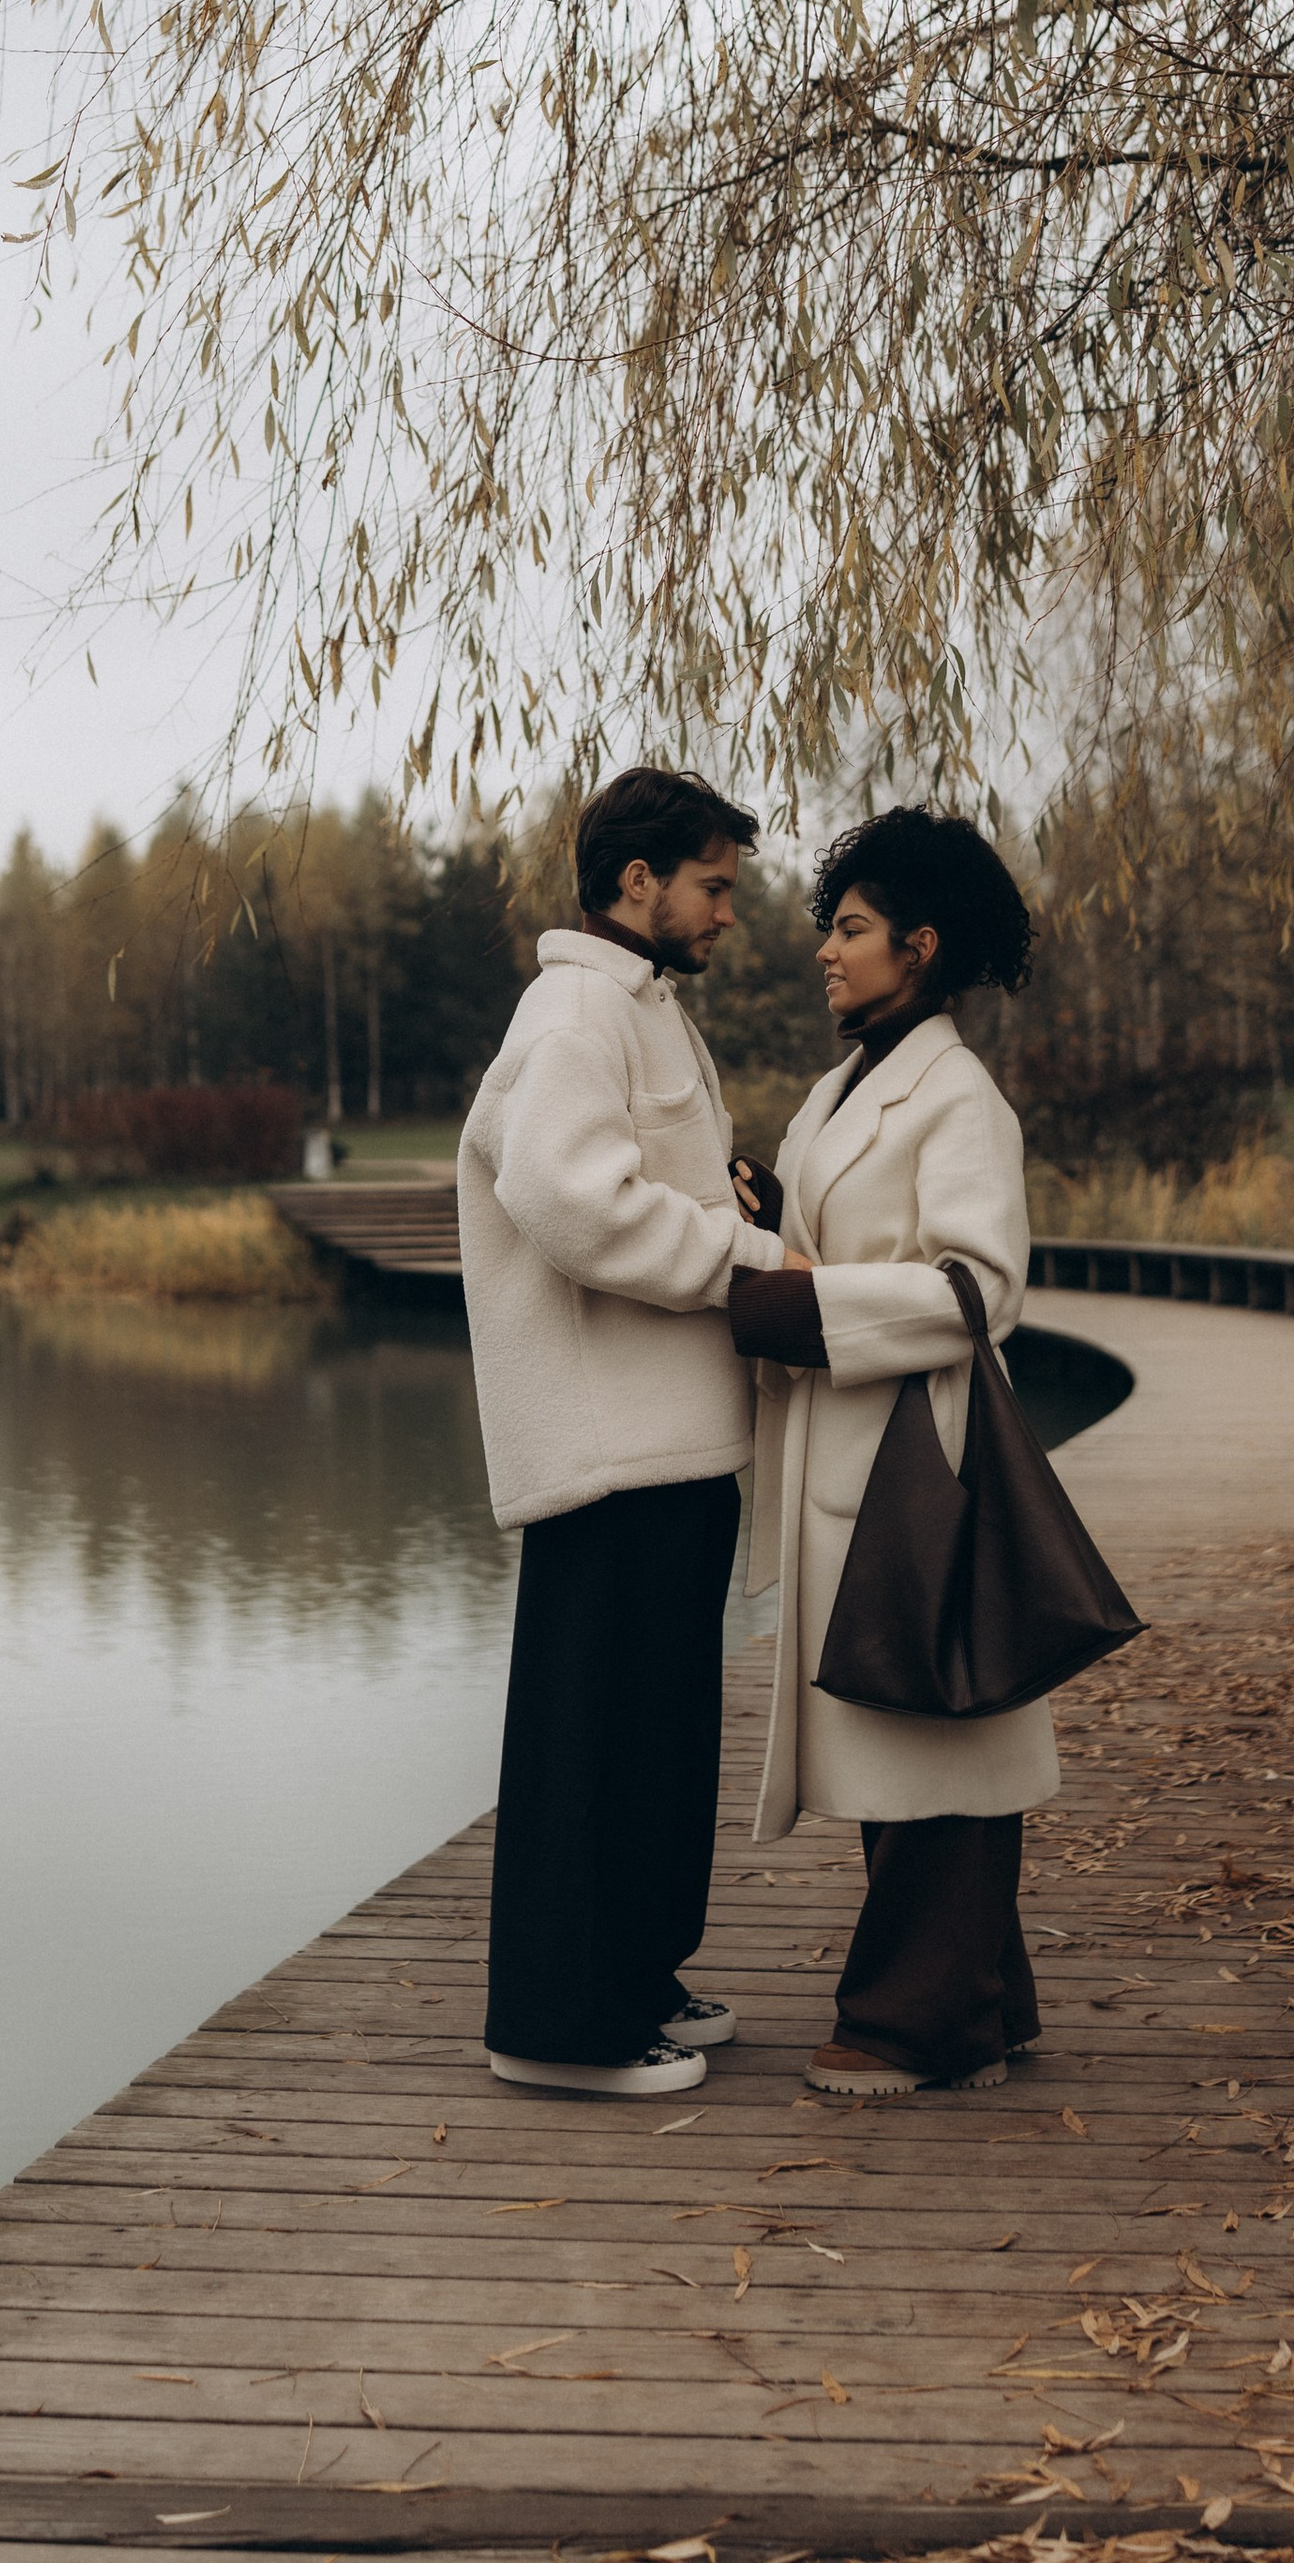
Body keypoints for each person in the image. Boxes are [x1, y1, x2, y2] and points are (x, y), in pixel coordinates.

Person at [458, 765, 810, 2097]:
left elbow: (636, 1181)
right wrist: (744, 1259)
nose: (728, 914)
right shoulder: (577, 1013)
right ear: (637, 882)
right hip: (609, 1450)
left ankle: (632, 1979)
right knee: (591, 1742)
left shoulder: (637, 1007)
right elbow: (564, 1194)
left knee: (655, 1736)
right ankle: (559, 2027)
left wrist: (723, 1200)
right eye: (714, 887)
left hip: (665, 1439)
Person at [727, 806, 1049, 2096]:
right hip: (857, 1445)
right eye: (830, 929)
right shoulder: (845, 1082)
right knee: (903, 1728)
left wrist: (809, 1309)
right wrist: (771, 1219)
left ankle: (916, 2022)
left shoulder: (957, 1095)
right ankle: (981, 2003)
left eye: (850, 931)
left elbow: (981, 1288)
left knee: (937, 1733)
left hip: (926, 1454)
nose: (826, 953)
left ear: (919, 946)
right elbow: (837, 1229)